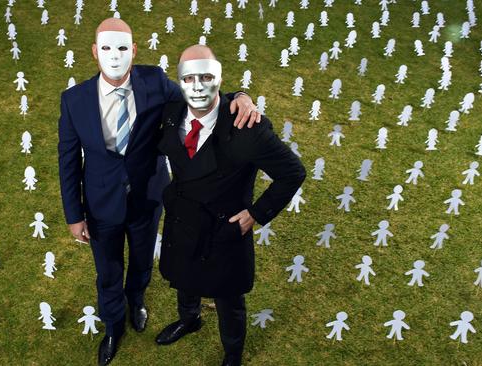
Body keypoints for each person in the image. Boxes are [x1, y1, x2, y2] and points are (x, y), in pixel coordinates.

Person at [57, 18, 260, 366]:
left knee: (139, 260)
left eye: (123, 48)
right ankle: (112, 326)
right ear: (94, 52)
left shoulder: (154, 82)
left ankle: (136, 301)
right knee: (107, 270)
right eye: (106, 48)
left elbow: (198, 94)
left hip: (148, 198)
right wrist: (74, 215)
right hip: (100, 203)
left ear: (134, 50)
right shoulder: (74, 100)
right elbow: (68, 160)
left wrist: (240, 97)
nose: (115, 56)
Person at [154, 45, 306, 366]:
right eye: (189, 78)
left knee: (228, 299)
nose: (197, 86)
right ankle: (190, 318)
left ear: (219, 79)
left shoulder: (247, 128)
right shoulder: (170, 115)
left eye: (206, 77)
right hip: (183, 218)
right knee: (184, 276)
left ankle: (232, 353)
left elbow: (293, 172)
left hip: (223, 227)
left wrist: (256, 214)